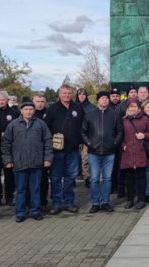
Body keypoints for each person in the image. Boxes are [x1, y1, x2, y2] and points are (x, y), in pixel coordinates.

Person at [3, 100, 53, 222]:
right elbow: (6, 144)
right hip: (19, 163)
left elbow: (48, 142)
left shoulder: (40, 124)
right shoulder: (13, 125)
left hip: (36, 162)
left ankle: (35, 211)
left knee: (35, 189)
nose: (28, 111)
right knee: (20, 189)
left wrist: (47, 158)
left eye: (31, 109)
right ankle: (20, 212)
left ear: (34, 111)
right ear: (21, 111)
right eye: (26, 109)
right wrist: (7, 160)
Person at [44, 84, 85, 214]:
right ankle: (56, 203)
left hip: (72, 149)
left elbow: (82, 127)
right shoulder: (52, 108)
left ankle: (69, 202)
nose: (67, 95)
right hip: (57, 150)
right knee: (55, 178)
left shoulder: (77, 108)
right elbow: (47, 128)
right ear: (59, 94)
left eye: (69, 93)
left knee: (70, 177)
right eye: (64, 93)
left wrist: (81, 142)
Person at [81, 91, 122, 213]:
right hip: (94, 151)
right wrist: (89, 143)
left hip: (109, 152)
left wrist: (114, 143)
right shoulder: (89, 114)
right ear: (98, 100)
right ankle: (95, 203)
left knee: (107, 178)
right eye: (102, 98)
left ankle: (105, 202)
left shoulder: (114, 114)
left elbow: (120, 131)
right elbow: (83, 131)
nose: (104, 100)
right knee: (94, 179)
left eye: (106, 98)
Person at [119, 100, 149, 209]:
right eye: (131, 106)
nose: (133, 108)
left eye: (135, 106)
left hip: (141, 152)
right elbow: (118, 135)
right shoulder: (123, 120)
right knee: (129, 178)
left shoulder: (144, 119)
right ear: (127, 108)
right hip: (128, 153)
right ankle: (130, 199)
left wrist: (144, 135)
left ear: (139, 108)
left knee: (141, 177)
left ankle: (141, 199)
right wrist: (122, 146)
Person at [0, 90, 19, 208]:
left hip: (10, 148)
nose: (1, 102)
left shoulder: (14, 113)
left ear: (7, 100)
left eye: (3, 100)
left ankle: (9, 196)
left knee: (9, 174)